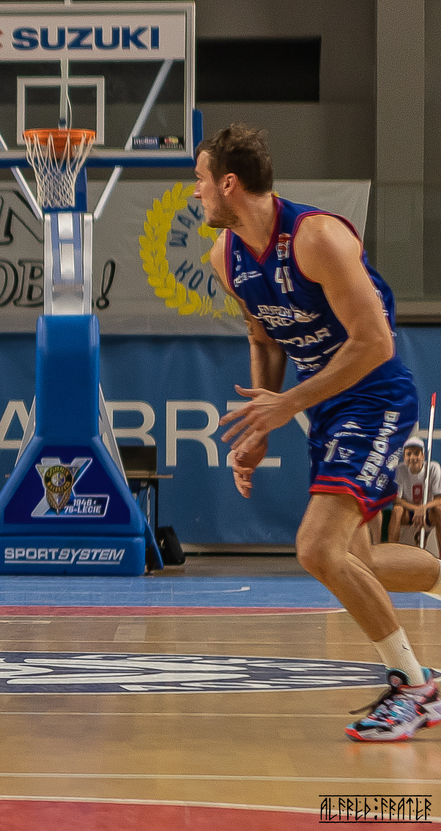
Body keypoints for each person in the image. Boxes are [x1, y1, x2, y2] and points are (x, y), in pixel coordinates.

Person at [201, 124, 441, 741]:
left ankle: (414, 687)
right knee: (358, 561)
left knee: (315, 548)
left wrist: (288, 404)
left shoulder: (318, 238)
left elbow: (377, 342)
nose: (194, 192)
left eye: (200, 179)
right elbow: (263, 338)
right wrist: (261, 423)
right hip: (329, 404)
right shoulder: (226, 257)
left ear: (229, 184)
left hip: (376, 395)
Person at [390, 437, 441, 549]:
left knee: (439, 510)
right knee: (397, 510)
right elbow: (396, 500)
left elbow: (439, 499)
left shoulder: (433, 468)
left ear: (423, 456)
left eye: (416, 454)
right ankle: (392, 551)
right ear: (404, 457)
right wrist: (416, 509)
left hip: (428, 511)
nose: (413, 458)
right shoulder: (400, 469)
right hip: (409, 512)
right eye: (409, 454)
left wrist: (423, 508)